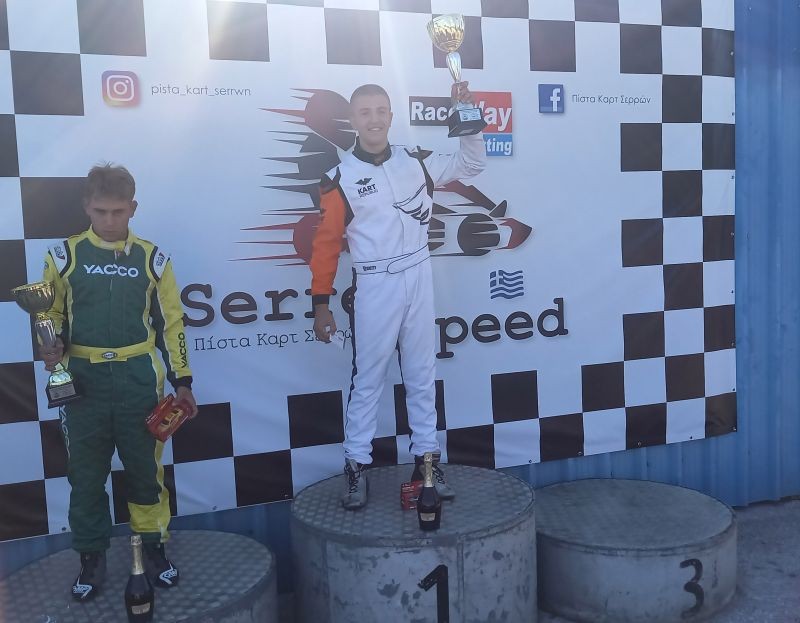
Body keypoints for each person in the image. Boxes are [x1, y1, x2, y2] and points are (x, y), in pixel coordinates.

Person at [310, 83, 486, 509]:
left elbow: (472, 163)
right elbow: (326, 245)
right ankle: (356, 466)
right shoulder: (338, 178)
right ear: (352, 120)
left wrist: (467, 116)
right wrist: (320, 303)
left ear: (391, 116)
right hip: (375, 284)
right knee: (368, 379)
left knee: (422, 374)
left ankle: (427, 463)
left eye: (381, 111)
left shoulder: (416, 160)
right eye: (365, 112)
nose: (374, 119)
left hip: (419, 275)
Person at [39, 164, 198, 600]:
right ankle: (91, 557)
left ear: (133, 208)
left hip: (138, 379)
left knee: (146, 473)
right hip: (81, 381)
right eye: (100, 211)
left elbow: (172, 324)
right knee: (86, 477)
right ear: (86, 208)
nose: (109, 221)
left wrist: (183, 380)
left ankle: (154, 549)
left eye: (118, 212)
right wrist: (50, 342)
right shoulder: (63, 256)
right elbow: (48, 314)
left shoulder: (153, 259)